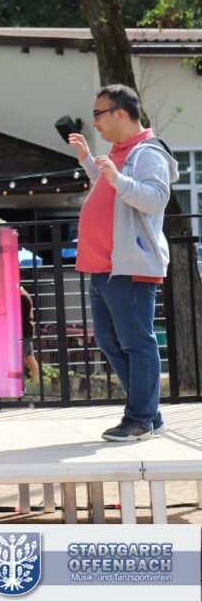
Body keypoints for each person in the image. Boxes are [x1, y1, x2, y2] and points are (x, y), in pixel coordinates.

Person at [68, 84, 178, 442]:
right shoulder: (120, 151)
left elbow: (155, 199)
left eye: (97, 114)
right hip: (104, 267)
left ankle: (139, 419)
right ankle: (150, 415)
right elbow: (110, 191)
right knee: (111, 342)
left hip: (129, 267)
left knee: (136, 343)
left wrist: (116, 177)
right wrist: (89, 162)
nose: (94, 123)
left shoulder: (148, 152)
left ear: (119, 113)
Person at [19, 285, 41, 385]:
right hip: (27, 331)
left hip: (23, 333)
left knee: (17, 360)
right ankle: (37, 385)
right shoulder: (23, 293)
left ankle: (21, 387)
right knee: (30, 359)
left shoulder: (21, 295)